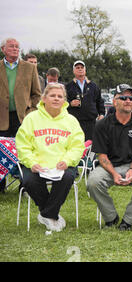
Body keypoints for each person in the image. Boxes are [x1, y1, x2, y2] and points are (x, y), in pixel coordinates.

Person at [15, 83, 85, 231]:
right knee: (29, 181)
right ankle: (52, 216)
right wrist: (32, 163)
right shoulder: (31, 119)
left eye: (60, 96)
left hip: (62, 165)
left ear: (64, 100)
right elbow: (23, 145)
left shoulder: (71, 121)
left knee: (66, 178)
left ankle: (47, 214)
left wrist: (67, 161)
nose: (56, 99)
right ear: (44, 98)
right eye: (52, 95)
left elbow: (77, 146)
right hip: (37, 165)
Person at [87, 84, 132, 230]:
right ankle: (111, 218)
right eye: (123, 97)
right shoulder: (102, 124)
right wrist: (114, 173)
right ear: (114, 101)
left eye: (131, 98)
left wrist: (131, 170)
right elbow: (102, 156)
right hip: (108, 167)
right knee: (93, 181)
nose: (128, 100)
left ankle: (128, 221)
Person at [0, 38, 42, 193]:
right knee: (0, 153)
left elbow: (37, 94)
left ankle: (25, 186)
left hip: (22, 118)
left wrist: (30, 112)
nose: (15, 49)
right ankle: (1, 186)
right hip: (1, 118)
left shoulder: (29, 68)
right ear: (3, 49)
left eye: (17, 47)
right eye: (11, 46)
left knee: (24, 151)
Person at [66, 60, 105, 141]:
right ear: (74, 71)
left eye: (82, 67)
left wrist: (101, 113)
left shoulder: (93, 86)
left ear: (85, 70)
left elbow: (99, 101)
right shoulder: (68, 86)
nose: (80, 69)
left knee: (90, 147)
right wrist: (70, 104)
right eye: (77, 68)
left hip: (91, 123)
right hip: (74, 122)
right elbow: (63, 102)